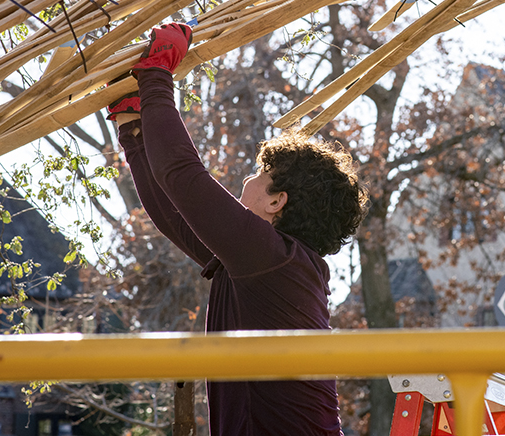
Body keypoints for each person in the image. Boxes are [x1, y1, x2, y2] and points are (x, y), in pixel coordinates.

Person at [107, 22, 369, 436]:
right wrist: (134, 132)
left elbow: (183, 177)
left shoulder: (272, 260)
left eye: (262, 173)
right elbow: (174, 214)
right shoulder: (262, 264)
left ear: (276, 201)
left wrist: (158, 75)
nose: (250, 175)